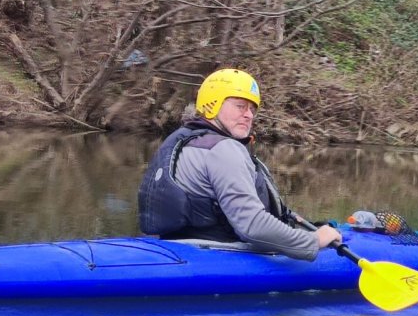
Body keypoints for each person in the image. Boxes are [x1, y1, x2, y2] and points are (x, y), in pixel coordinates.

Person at [138, 68, 341, 260]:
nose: (249, 115)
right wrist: (313, 240)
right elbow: (253, 227)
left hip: (178, 246)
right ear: (213, 104)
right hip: (217, 254)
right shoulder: (223, 149)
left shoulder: (183, 140)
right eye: (240, 106)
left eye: (252, 109)